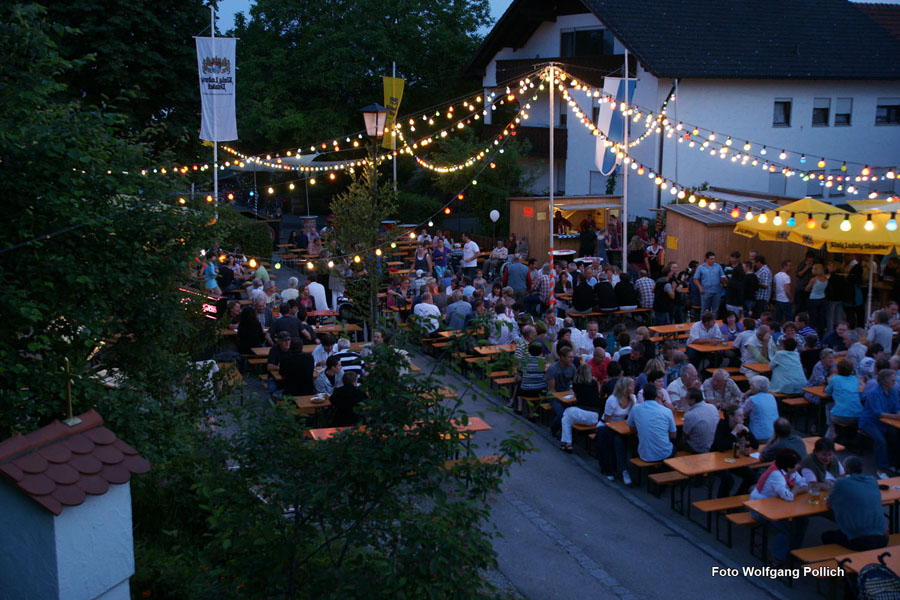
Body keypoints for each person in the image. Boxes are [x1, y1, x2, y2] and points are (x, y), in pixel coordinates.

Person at [749, 448, 809, 567]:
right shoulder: (776, 474)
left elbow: (803, 483)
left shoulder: (788, 470)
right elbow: (788, 496)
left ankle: (793, 552)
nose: (798, 466)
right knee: (786, 527)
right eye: (796, 464)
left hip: (775, 505)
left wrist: (796, 489)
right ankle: (776, 558)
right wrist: (796, 490)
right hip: (759, 508)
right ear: (789, 466)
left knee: (803, 520)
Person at [822, 456, 889, 551]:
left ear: (845, 470)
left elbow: (830, 503)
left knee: (826, 536)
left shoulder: (841, 483)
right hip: (883, 538)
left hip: (860, 541)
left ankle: (842, 562)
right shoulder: (872, 481)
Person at [711, 405, 760, 497]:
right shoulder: (722, 425)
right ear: (731, 416)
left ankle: (737, 498)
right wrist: (734, 432)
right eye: (739, 415)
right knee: (728, 480)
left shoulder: (742, 424)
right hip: (718, 458)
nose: (743, 417)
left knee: (752, 477)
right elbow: (720, 447)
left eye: (743, 415)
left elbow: (756, 445)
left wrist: (748, 432)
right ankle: (722, 504)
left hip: (732, 458)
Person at [859, 369, 900, 479]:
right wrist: (896, 417)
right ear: (884, 381)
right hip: (870, 422)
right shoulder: (874, 393)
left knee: (895, 435)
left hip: (886, 422)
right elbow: (879, 413)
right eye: (892, 380)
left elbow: (896, 407)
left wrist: (898, 413)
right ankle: (881, 468)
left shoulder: (894, 392)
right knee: (880, 440)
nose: (894, 383)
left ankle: (894, 463)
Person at [595, 376, 636, 483]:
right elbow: (607, 421)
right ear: (624, 387)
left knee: (620, 439)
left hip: (621, 427)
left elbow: (633, 416)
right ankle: (615, 469)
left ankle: (622, 470)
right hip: (606, 427)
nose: (633, 387)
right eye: (631, 385)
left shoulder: (632, 399)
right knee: (613, 439)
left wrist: (634, 403)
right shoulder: (612, 400)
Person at [627, 385, 677, 466]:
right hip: (665, 454)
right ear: (657, 395)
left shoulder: (636, 409)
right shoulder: (667, 411)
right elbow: (673, 436)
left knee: (632, 440)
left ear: (643, 396)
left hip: (645, 455)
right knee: (676, 444)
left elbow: (632, 429)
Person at [559, 364, 602, 452]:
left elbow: (576, 397)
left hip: (584, 414)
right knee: (566, 419)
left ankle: (568, 443)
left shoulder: (576, 384)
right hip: (595, 416)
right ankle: (566, 443)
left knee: (566, 412)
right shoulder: (594, 383)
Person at [824, 359, 863, 439]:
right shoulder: (855, 380)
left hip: (840, 416)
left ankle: (832, 430)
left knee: (828, 405)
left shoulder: (835, 379)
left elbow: (827, 392)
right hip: (858, 415)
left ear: (838, 369)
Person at [547, 346, 577, 436]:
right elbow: (552, 389)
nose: (572, 359)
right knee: (561, 414)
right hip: (554, 395)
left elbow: (574, 383)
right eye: (570, 357)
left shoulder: (572, 367)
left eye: (573, 357)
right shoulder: (553, 369)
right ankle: (552, 429)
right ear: (562, 357)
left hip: (567, 395)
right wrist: (562, 399)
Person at [741, 375, 779, 442]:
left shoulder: (752, 399)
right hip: (774, 433)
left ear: (756, 387)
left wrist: (744, 396)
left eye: (751, 385)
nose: (750, 387)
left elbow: (741, 412)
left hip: (758, 436)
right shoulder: (772, 397)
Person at [682, 388, 719, 453]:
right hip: (713, 445)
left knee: (676, 440)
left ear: (693, 400)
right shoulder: (712, 407)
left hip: (698, 449)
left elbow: (686, 435)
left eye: (687, 398)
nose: (685, 399)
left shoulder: (690, 415)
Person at [773, 260, 793, 325]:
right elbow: (787, 291)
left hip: (778, 299)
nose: (790, 267)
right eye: (789, 266)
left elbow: (775, 288)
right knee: (789, 318)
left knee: (778, 318)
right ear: (785, 266)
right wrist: (791, 298)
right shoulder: (787, 277)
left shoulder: (776, 275)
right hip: (785, 300)